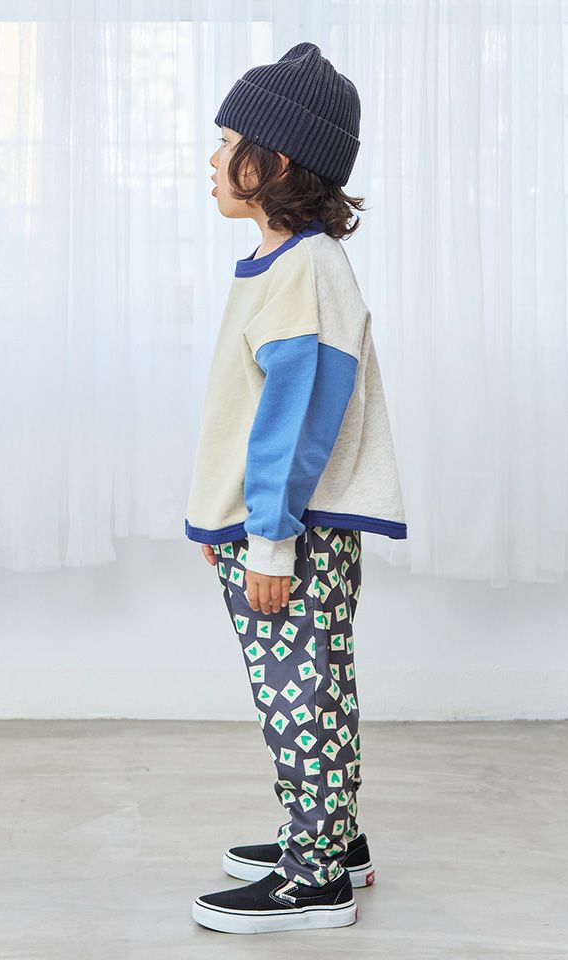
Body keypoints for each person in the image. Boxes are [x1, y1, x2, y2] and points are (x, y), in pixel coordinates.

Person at [184, 41, 407, 934]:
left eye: (226, 140)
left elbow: (296, 421)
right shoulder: (289, 264)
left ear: (273, 162)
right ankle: (333, 839)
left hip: (292, 530)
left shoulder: (306, 271)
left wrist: (268, 541)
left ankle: (314, 879)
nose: (211, 157)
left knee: (297, 698)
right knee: (317, 687)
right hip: (282, 525)